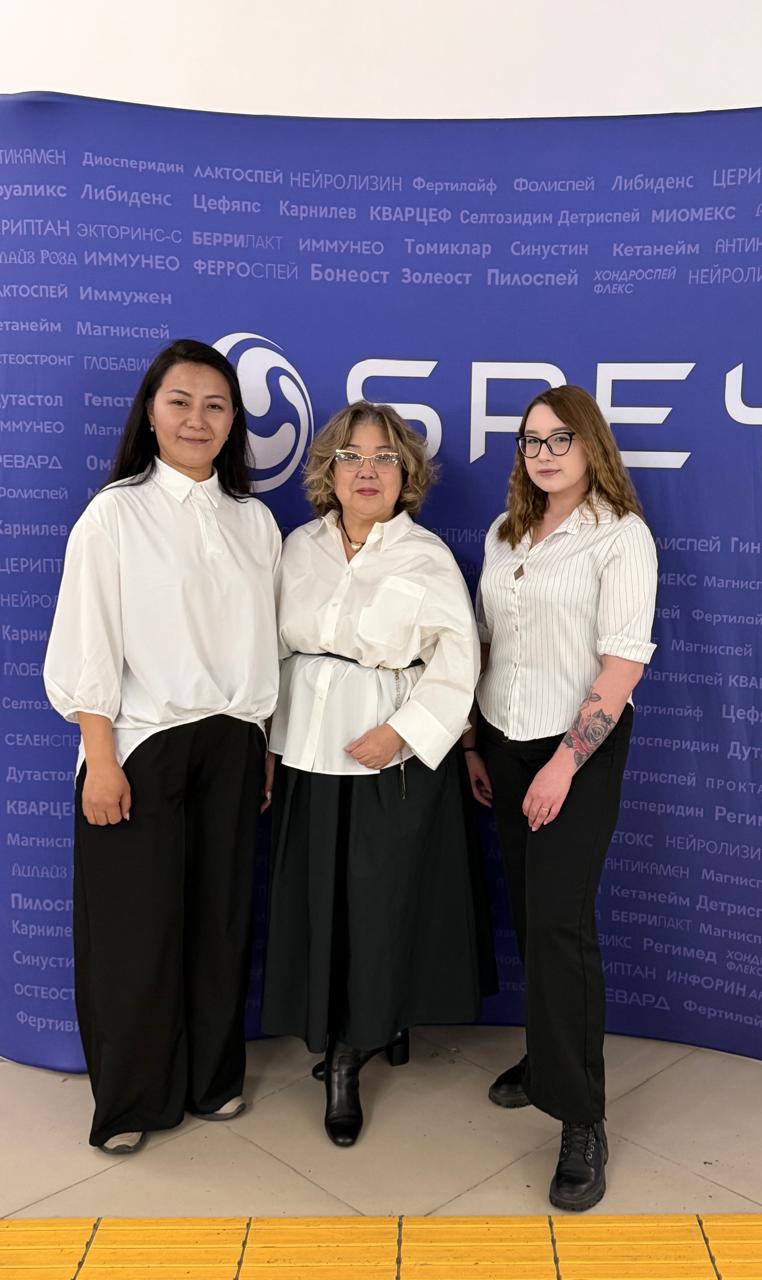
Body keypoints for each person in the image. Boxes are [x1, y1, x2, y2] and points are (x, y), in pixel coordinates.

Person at [43, 338, 280, 1155]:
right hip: (141, 742)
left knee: (220, 922)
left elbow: (265, 646)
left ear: (234, 422)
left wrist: (263, 745)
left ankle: (212, 1078)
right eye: (180, 402)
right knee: (133, 932)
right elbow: (89, 640)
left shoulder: (254, 522)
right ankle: (132, 1102)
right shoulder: (116, 514)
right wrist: (100, 756)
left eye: (216, 405)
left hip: (235, 742)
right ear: (150, 412)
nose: (197, 419)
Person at [262, 400, 492, 1146]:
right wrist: (266, 744)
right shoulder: (298, 548)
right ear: (329, 470)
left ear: (407, 474)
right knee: (319, 905)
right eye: (352, 457)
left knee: (379, 907)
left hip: (392, 761)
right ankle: (341, 1036)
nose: (368, 471)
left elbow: (458, 660)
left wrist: (400, 733)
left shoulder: (425, 555)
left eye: (385, 458)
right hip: (308, 749)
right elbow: (268, 650)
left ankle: (356, 1048)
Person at [464, 384, 657, 1212]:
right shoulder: (504, 534)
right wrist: (475, 743)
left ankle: (582, 1120)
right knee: (528, 910)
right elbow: (486, 644)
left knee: (560, 925)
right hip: (504, 746)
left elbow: (622, 665)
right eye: (531, 440)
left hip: (577, 751)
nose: (543, 454)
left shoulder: (620, 536)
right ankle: (546, 1058)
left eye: (559, 439)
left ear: (592, 446)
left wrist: (562, 766)